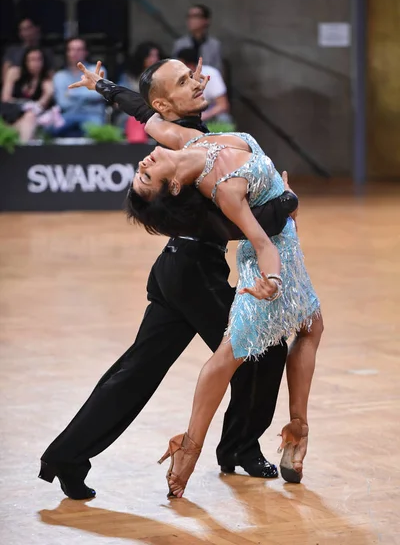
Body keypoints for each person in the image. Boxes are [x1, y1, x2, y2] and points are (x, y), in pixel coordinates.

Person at [38, 62, 298, 501]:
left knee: (135, 372)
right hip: (193, 273)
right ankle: (239, 447)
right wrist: (285, 201)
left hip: (177, 271)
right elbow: (231, 228)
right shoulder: (181, 150)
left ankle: (66, 456)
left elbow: (141, 108)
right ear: (167, 105)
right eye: (184, 83)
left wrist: (101, 85)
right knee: (265, 348)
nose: (197, 84)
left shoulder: (183, 130)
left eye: (193, 78)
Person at [125, 58, 324, 497]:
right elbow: (263, 240)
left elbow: (144, 113)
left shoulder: (185, 140)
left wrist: (102, 84)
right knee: (228, 357)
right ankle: (189, 451)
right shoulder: (223, 188)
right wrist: (271, 278)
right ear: (172, 186)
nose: (146, 155)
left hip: (290, 248)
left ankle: (295, 430)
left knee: (308, 329)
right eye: (146, 172)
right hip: (272, 265)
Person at [51, 38, 106, 138]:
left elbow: (100, 94)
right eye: (71, 49)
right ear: (67, 52)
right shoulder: (59, 76)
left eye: (79, 49)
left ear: (86, 52)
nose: (75, 53)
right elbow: (63, 103)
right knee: (51, 129)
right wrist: (88, 95)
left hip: (93, 115)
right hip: (68, 116)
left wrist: (72, 94)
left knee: (97, 131)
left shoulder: (97, 69)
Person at [1, 47, 53, 143]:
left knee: (30, 117)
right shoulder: (15, 73)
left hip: (35, 121)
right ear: (25, 61)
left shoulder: (46, 80)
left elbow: (41, 108)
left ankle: (24, 151)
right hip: (11, 117)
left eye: (39, 59)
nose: (36, 63)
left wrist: (47, 95)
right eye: (32, 60)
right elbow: (5, 99)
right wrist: (26, 105)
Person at [119, 41, 166, 142]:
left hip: (158, 110)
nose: (154, 59)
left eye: (156, 56)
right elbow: (121, 96)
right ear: (142, 57)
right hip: (134, 110)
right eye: (150, 56)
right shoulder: (129, 76)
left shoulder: (164, 76)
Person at [177, 48, 232, 124]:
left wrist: (204, 116)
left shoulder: (211, 73)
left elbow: (223, 105)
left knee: (223, 118)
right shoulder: (178, 77)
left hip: (208, 113)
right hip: (188, 114)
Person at [172, 5, 223, 72]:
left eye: (195, 16)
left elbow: (218, 71)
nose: (190, 20)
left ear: (206, 20)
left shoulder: (214, 45)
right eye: (189, 17)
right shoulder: (180, 44)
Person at [2, 17, 54, 82]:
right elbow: (5, 75)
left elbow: (51, 74)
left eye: (29, 28)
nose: (27, 32)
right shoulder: (12, 51)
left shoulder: (47, 52)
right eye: (23, 29)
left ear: (37, 29)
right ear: (19, 33)